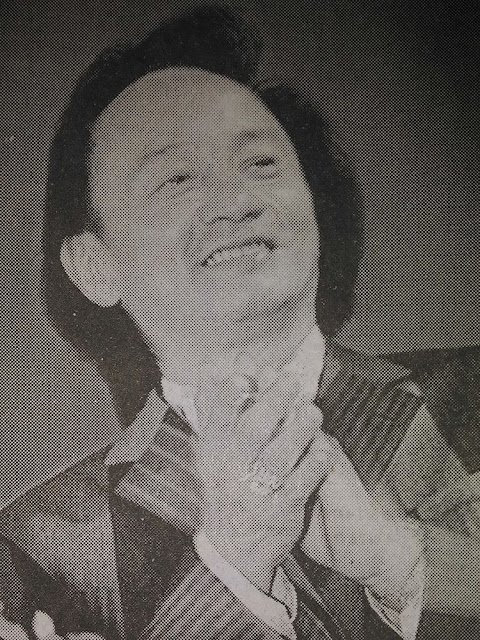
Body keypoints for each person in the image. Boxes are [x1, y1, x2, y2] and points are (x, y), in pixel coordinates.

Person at [0, 6, 478, 640]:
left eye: (263, 164)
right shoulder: (41, 547)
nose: (238, 199)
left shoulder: (468, 397)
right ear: (96, 267)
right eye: (177, 178)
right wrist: (232, 572)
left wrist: (405, 566)